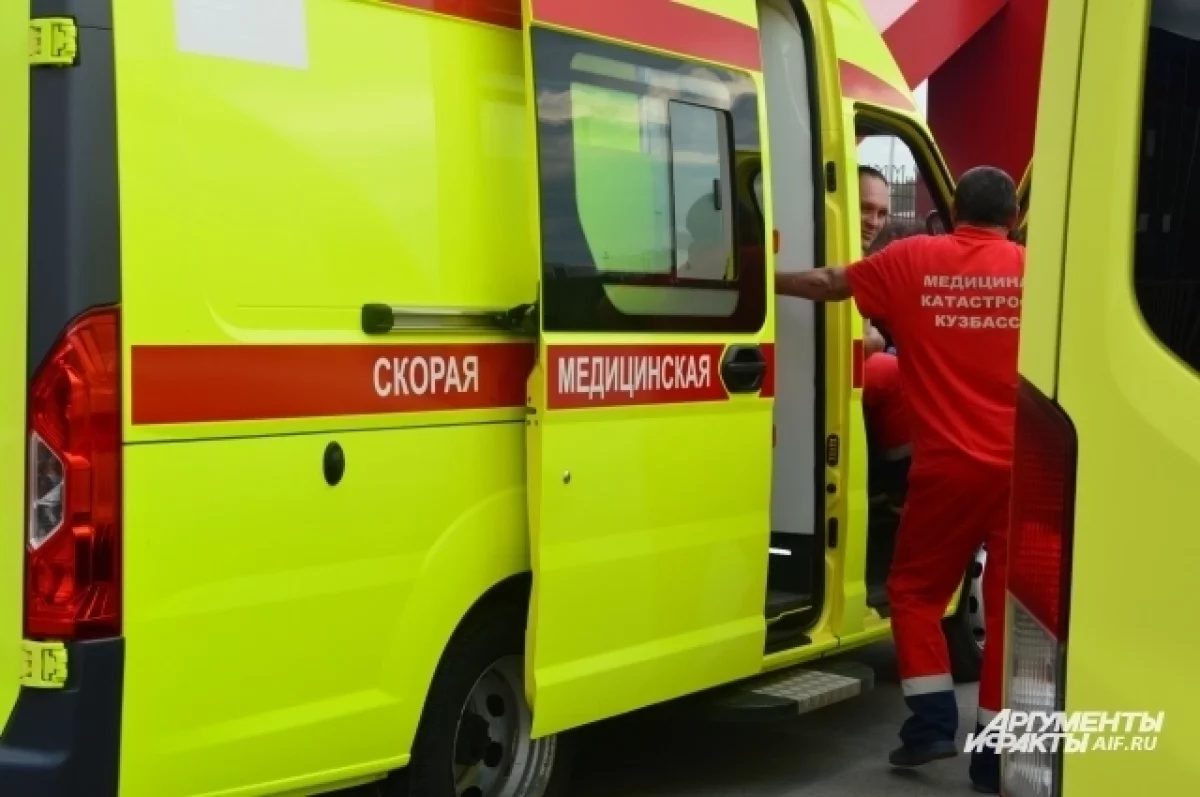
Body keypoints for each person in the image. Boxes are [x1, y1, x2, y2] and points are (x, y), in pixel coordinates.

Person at [775, 166, 1024, 795]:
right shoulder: (1034, 274)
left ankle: (932, 723)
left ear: (952, 210)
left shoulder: (911, 260)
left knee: (913, 591)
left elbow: (828, 283)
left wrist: (760, 281)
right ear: (1014, 218)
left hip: (945, 472)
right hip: (1022, 475)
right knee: (1006, 612)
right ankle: (994, 758)